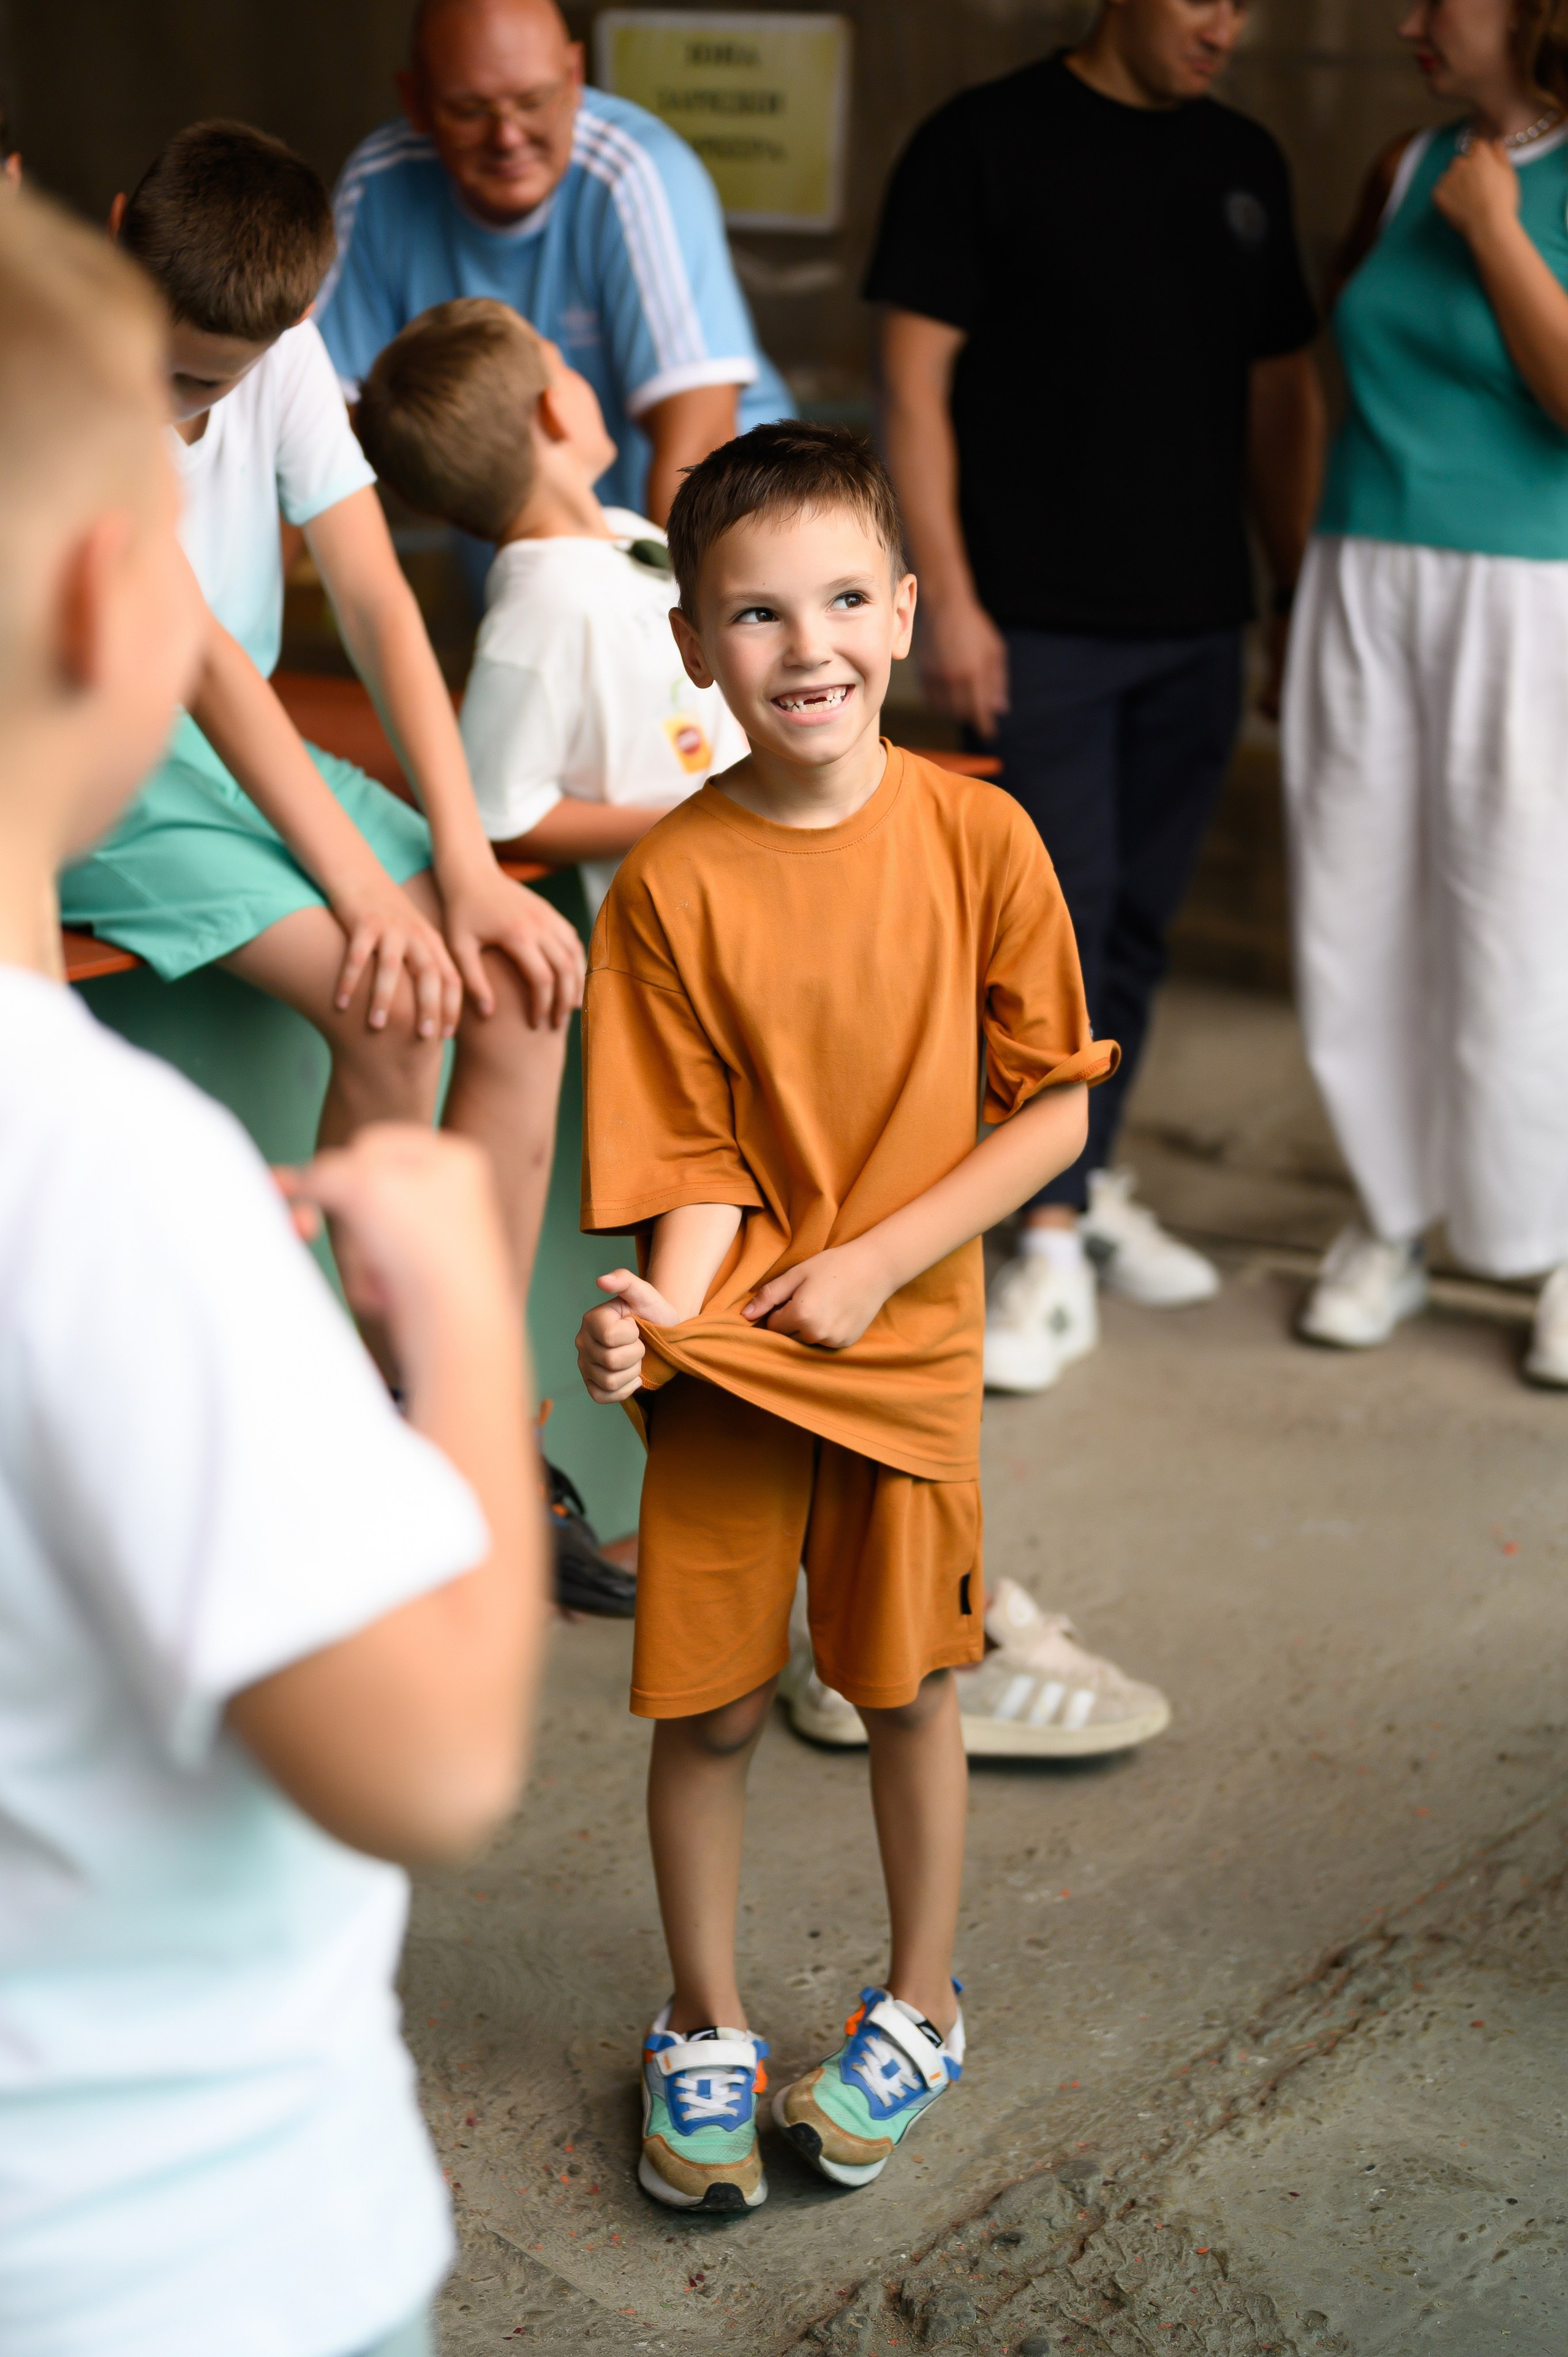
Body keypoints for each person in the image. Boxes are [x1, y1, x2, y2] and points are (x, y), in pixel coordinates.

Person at [0, 185, 547, 2357]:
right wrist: (457, 1366)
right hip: (168, 2264)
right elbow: (431, 1760)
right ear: (120, 593)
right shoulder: (114, 1190)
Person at [573, 423, 1118, 2211]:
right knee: (711, 1713)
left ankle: (921, 2002)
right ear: (692, 646)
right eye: (750, 613)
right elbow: (700, 1157)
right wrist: (664, 1306)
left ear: (897, 611)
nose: (801, 646)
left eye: (835, 601)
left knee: (903, 1689)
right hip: (742, 1364)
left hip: (902, 1356)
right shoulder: (667, 881)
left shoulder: (981, 834)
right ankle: (702, 2022)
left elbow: (1053, 1100)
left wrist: (886, 1256)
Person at [866, 0, 1325, 1395]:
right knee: (1040, 946)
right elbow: (908, 381)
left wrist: (1291, 592)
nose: (1224, 26)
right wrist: (944, 596)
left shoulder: (1240, 158)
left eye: (1243, 5)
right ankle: (1042, 1240)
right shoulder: (980, 143)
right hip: (1030, 632)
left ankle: (1088, 1170)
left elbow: (1276, 399)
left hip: (1191, 622)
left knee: (1131, 923)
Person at [1285, 0, 1568, 1383]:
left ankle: (1557, 1237)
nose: (1404, 19)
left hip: (1524, 592)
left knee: (1523, 915)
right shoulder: (1401, 164)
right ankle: (1388, 1218)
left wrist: (1498, 227)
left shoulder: (1503, 184)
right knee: (1351, 906)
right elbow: (1343, 361)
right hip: (1360, 572)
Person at [317, 0, 791, 533]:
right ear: (417, 102)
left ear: (573, 78)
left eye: (533, 100)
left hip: (716, 540)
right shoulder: (382, 184)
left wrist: (671, 613)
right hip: (540, 552)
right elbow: (312, 435)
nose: (508, 137)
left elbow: (702, 450)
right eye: (471, 110)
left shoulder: (636, 175)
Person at [355, 296, 747, 919]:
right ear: (554, 408)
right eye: (562, 366)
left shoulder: (626, 532)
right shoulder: (537, 610)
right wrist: (692, 821)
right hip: (683, 925)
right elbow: (498, 812)